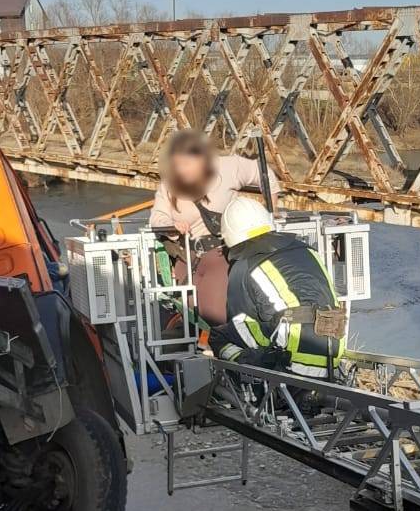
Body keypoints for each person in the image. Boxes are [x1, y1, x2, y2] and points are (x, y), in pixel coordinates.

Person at [208, 196, 347, 379]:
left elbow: (239, 318)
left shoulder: (244, 266)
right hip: (332, 352)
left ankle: (247, 390)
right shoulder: (307, 251)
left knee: (220, 335)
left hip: (290, 360)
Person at [149, 131, 279, 325]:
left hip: (223, 251)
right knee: (190, 306)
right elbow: (157, 218)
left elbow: (263, 173)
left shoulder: (227, 167)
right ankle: (204, 344)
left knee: (214, 309)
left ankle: (226, 345)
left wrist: (272, 210)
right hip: (189, 254)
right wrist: (172, 226)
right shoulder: (169, 184)